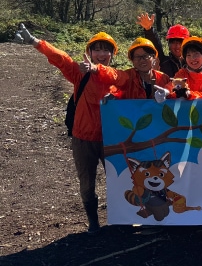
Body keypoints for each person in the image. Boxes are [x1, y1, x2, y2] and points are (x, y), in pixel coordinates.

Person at [15, 25, 117, 233]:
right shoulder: (81, 75)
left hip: (112, 139)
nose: (101, 54)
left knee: (118, 181)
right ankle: (94, 223)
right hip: (83, 139)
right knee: (87, 185)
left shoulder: (118, 78)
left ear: (112, 54)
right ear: (89, 53)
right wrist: (35, 41)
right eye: (96, 49)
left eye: (106, 50)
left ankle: (119, 219)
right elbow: (61, 58)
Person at [89, 37, 172, 102]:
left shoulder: (163, 78)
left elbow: (174, 95)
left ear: (154, 58)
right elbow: (115, 79)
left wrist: (169, 92)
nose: (142, 60)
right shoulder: (127, 77)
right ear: (132, 60)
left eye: (146, 56)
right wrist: (113, 96)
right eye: (137, 57)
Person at [136, 12, 188, 77]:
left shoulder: (193, 63)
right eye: (173, 43)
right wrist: (148, 29)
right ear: (168, 45)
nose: (177, 46)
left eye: (180, 43)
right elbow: (156, 46)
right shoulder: (163, 62)